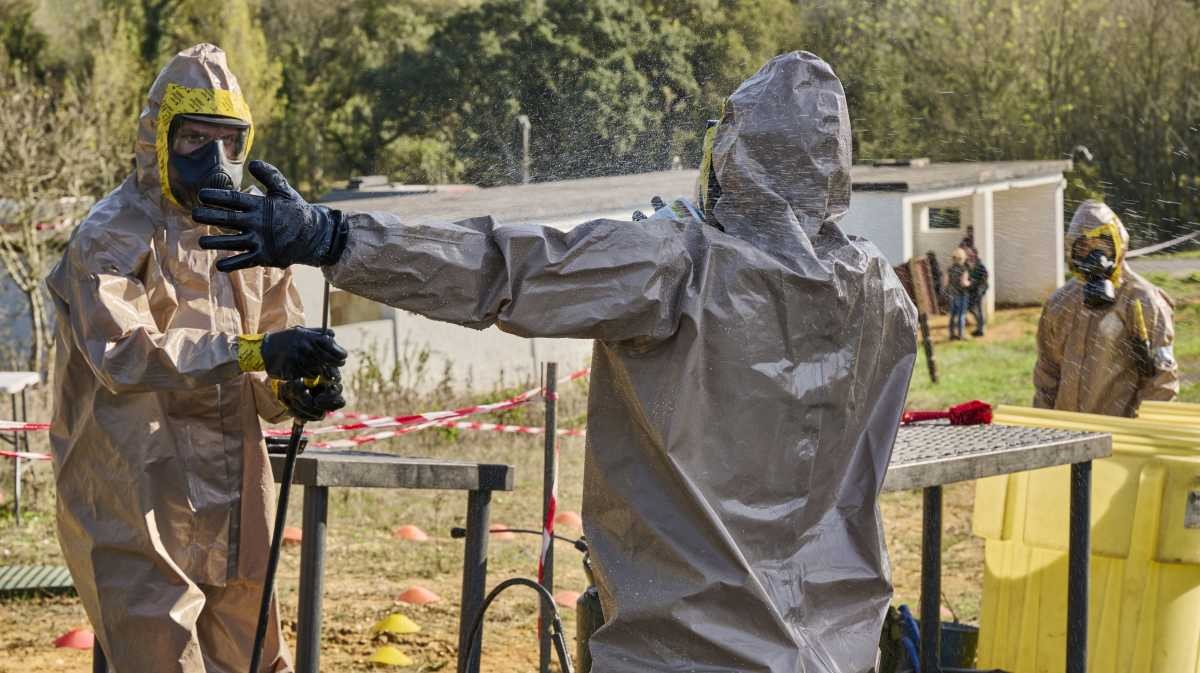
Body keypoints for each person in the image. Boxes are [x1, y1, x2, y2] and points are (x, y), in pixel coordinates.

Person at [196, 52, 918, 673]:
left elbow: (496, 271)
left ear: (733, 157)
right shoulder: (883, 295)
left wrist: (332, 237)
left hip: (686, 649)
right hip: (834, 649)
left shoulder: (678, 265)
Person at [46, 44, 347, 673]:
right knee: (161, 656)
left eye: (227, 140)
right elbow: (124, 356)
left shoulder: (247, 233)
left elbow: (271, 352)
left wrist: (295, 382)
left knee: (255, 654)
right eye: (193, 138)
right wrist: (254, 351)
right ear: (158, 138)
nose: (213, 157)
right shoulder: (111, 235)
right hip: (137, 489)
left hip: (236, 493)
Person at [1032, 200, 1178, 416]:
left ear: (1119, 244)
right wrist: (1043, 430)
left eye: (1102, 245)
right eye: (1084, 246)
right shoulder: (1059, 303)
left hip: (1119, 438)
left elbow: (1162, 380)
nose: (1094, 256)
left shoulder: (1143, 300)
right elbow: (1047, 375)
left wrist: (1139, 436)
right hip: (1067, 435)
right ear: (1072, 249)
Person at [946, 247, 972, 340]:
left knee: (952, 315)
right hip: (962, 294)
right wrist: (970, 283)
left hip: (952, 294)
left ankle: (951, 334)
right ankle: (961, 334)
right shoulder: (963, 269)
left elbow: (946, 283)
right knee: (961, 315)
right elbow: (963, 283)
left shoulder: (950, 269)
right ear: (963, 258)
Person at [966, 248, 989, 337]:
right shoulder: (968, 265)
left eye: (970, 254)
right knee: (972, 308)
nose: (969, 256)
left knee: (978, 309)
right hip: (973, 290)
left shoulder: (980, 266)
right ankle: (980, 325)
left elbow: (984, 278)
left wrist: (973, 282)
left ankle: (981, 329)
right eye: (968, 254)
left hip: (979, 290)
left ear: (975, 255)